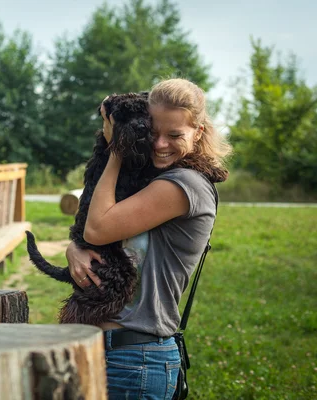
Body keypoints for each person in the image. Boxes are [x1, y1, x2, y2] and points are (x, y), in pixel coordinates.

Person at [65, 78, 232, 399]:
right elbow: (100, 228)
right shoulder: (153, 178)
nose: (159, 144)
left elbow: (97, 228)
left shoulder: (184, 185)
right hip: (109, 350)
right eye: (151, 132)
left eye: (174, 135)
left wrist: (117, 149)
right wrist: (76, 246)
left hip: (136, 360)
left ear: (197, 133)